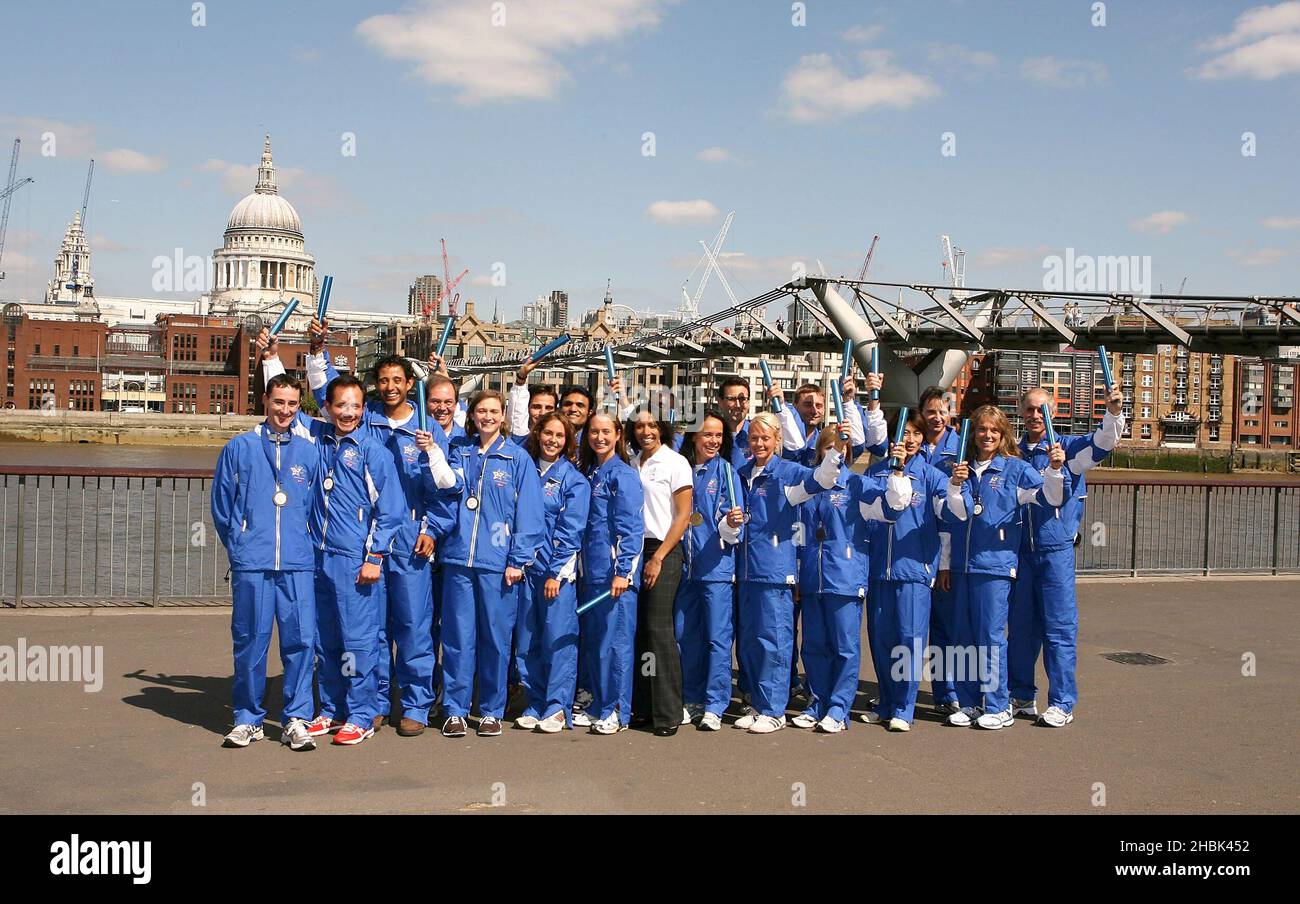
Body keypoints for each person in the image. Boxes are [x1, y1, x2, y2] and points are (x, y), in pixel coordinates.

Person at [212, 371, 321, 752]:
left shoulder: (309, 452)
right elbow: (222, 506)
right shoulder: (239, 448)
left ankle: (296, 718)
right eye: (279, 402)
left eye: (292, 404)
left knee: (301, 642)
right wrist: (240, 546)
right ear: (265, 402)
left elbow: (318, 508)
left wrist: (307, 545)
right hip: (253, 563)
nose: (285, 410)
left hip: (297, 563)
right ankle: (247, 717)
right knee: (250, 642)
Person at [942, 405, 1067, 730]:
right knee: (962, 637)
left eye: (993, 431)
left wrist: (1055, 469)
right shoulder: (963, 470)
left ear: (1002, 435)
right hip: (963, 565)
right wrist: (955, 485)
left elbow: (1051, 499)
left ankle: (998, 705)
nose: (987, 436)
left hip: (995, 566)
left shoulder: (1015, 469)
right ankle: (969, 702)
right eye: (982, 429)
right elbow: (956, 512)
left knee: (990, 636)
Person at [1009, 383, 1125, 727]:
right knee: (1020, 628)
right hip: (1019, 552)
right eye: (1028, 409)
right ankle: (1021, 695)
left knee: (1058, 628)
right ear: (1021, 411)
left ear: (1053, 411)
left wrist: (1114, 413)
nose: (1033, 416)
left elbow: (1103, 444)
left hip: (1055, 550)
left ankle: (1061, 701)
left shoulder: (1069, 449)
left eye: (1040, 409)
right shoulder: (1013, 453)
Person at [432, 390, 546, 739]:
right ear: (472, 415)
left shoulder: (517, 459)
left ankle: (492, 709)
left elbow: (529, 513)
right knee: (457, 638)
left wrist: (518, 559)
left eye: (494, 411)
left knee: (496, 639)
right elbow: (445, 489)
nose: (487, 417)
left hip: (498, 564)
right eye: (481, 410)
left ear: (503, 416)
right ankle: (455, 708)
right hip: (458, 559)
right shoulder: (459, 451)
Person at [733, 411, 846, 734]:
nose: (759, 443)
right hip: (747, 570)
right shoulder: (741, 473)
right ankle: (756, 701)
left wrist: (837, 447)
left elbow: (823, 480)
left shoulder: (789, 472)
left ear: (777, 440)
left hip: (774, 570)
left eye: (765, 438)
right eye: (754, 438)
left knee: (775, 641)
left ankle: (774, 709)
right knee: (752, 641)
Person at [792, 425, 906, 733]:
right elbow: (799, 534)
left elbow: (892, 510)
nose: (835, 453)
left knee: (844, 647)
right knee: (813, 645)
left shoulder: (859, 485)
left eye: (841, 448)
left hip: (844, 578)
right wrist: (800, 572)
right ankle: (817, 702)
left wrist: (897, 475)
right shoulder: (809, 486)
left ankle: (839, 708)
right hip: (813, 579)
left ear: (848, 451)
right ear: (820, 451)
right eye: (829, 447)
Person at [858, 411, 952, 731]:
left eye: (915, 433)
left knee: (908, 641)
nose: (908, 439)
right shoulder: (873, 473)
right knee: (881, 639)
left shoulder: (932, 476)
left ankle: (903, 707)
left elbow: (949, 518)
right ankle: (885, 702)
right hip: (878, 571)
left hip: (913, 570)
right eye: (904, 433)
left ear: (922, 438)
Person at [515, 412, 591, 733]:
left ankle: (557, 706)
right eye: (548, 433)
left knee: (556, 639)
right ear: (537, 434)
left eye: (560, 436)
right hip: (523, 570)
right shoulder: (523, 469)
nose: (552, 441)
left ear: (568, 441)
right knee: (527, 640)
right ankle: (534, 701)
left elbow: (572, 531)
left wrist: (555, 573)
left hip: (553, 573)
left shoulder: (574, 480)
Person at [576, 412, 645, 734]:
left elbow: (631, 528)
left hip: (615, 577)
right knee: (597, 643)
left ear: (618, 434)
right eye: (593, 431)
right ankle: (599, 704)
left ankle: (617, 710)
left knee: (616, 644)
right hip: (593, 573)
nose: (598, 437)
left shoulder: (623, 475)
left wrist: (624, 572)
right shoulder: (592, 472)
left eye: (606, 432)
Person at [675, 410, 744, 732]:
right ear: (693, 437)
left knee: (716, 639)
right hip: (684, 569)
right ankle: (690, 698)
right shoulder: (681, 470)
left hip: (715, 569)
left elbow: (735, 527)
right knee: (684, 636)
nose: (713, 440)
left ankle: (715, 703)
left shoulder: (727, 471)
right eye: (707, 434)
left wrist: (730, 525)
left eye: (718, 435)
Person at [627, 410, 693, 736]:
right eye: (639, 426)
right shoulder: (632, 461)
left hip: (662, 549)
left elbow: (682, 517)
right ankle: (644, 706)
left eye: (652, 425)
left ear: (661, 428)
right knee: (639, 632)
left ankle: (668, 712)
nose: (646, 431)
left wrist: (659, 558)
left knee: (658, 630)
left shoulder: (675, 462)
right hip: (634, 550)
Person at [507, 356, 558, 446]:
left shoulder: (561, 442)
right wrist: (521, 377)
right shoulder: (520, 440)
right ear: (527, 408)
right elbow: (517, 415)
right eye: (537, 407)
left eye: (549, 408)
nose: (542, 413)